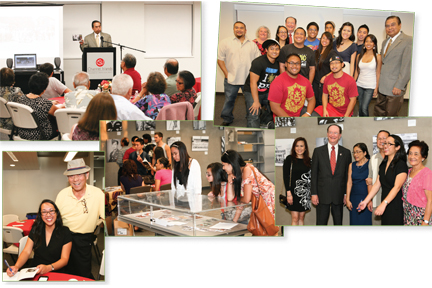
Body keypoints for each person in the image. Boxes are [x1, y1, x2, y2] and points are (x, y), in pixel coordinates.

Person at [55, 158, 104, 279]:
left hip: (83, 239)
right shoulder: (62, 194)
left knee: (82, 273)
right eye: (71, 176)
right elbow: (56, 218)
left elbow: (104, 218)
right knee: (63, 273)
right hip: (63, 237)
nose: (75, 179)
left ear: (87, 175)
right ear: (68, 178)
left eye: (79, 175)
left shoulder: (98, 194)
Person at [6, 199, 72, 277]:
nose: (48, 215)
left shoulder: (65, 231)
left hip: (56, 270)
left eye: (51, 211)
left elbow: (64, 259)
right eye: (44, 212)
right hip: (36, 270)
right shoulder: (36, 230)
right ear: (40, 215)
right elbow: (26, 251)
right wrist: (16, 266)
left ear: (56, 213)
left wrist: (48, 267)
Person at [358, 135, 408, 225]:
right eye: (385, 143)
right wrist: (365, 201)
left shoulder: (401, 165)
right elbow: (377, 184)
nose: (385, 146)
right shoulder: (383, 164)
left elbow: (397, 187)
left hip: (395, 205)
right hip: (384, 203)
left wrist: (384, 204)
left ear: (397, 147)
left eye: (389, 144)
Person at [218, 21, 260, 126]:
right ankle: (227, 118)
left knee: (250, 101)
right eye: (237, 27)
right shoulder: (225, 42)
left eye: (241, 28)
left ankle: (250, 118)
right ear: (233, 29)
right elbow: (220, 60)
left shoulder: (252, 44)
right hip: (232, 78)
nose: (239, 30)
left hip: (248, 80)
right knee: (229, 100)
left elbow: (258, 61)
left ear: (245, 30)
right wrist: (226, 74)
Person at [311, 124, 351, 225]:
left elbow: (348, 176)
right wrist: (314, 193)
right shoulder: (318, 151)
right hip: (321, 195)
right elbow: (314, 174)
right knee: (321, 223)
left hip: (339, 195)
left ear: (340, 135)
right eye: (331, 132)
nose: (333, 135)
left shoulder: (346, 153)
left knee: (338, 223)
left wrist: (347, 194)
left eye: (335, 133)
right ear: (327, 133)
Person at [221, 150, 275, 221]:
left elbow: (246, 199)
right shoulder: (238, 172)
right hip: (261, 202)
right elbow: (230, 198)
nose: (223, 168)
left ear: (231, 164)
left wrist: (238, 199)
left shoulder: (246, 170)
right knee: (263, 229)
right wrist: (229, 181)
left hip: (268, 200)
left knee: (269, 228)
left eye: (224, 165)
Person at [374, 16, 412, 116]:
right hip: (383, 87)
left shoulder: (408, 40)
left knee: (391, 115)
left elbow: (407, 66)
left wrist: (399, 85)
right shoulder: (385, 42)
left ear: (400, 25)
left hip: (394, 88)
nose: (389, 28)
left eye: (393, 24)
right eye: (387, 26)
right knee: (378, 113)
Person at [243, 39, 280, 128]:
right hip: (252, 90)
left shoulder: (278, 63)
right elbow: (253, 83)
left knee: (274, 108)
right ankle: (253, 133)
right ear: (266, 50)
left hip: (266, 91)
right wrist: (256, 101)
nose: (274, 51)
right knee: (254, 113)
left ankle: (263, 123)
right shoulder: (258, 62)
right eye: (272, 49)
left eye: (277, 49)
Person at [16, 72, 61, 140]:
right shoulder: (44, 103)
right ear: (44, 90)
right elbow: (58, 113)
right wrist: (63, 105)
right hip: (40, 134)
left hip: (22, 132)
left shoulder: (21, 98)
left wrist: (51, 103)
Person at [268, 53, 315, 118]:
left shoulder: (305, 81)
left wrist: (308, 113)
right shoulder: (277, 82)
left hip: (299, 116)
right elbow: (274, 108)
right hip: (282, 118)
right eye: (291, 63)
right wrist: (291, 122)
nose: (294, 66)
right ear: (286, 64)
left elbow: (311, 99)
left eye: (297, 63)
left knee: (316, 117)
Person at [283, 137, 311, 225]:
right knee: (295, 218)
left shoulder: (309, 161)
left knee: (301, 218)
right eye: (297, 146)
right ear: (294, 147)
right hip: (292, 193)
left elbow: (311, 177)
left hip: (305, 194)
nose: (299, 148)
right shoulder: (289, 159)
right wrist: (288, 193)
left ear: (305, 148)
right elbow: (285, 177)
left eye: (301, 146)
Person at [402, 140, 432, 225]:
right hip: (408, 215)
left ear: (423, 157)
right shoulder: (408, 172)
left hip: (421, 216)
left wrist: (425, 221)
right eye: (410, 153)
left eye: (416, 154)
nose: (412, 156)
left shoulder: (427, 173)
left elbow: (430, 200)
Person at [354, 34, 382, 117]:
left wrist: (376, 88)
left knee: (364, 108)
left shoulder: (378, 57)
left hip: (370, 86)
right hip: (359, 85)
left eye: (371, 41)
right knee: (360, 107)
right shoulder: (359, 56)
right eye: (367, 41)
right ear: (364, 43)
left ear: (374, 44)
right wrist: (353, 83)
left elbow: (378, 72)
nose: (368, 43)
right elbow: (357, 71)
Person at [346, 143, 372, 225]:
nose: (355, 154)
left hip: (366, 197)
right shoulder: (351, 165)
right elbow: (349, 183)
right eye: (354, 152)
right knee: (355, 222)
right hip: (354, 198)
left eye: (358, 152)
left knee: (365, 222)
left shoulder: (370, 164)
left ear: (365, 153)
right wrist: (347, 199)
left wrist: (369, 200)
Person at [366, 130, 390, 209]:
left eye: (384, 138)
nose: (381, 141)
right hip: (376, 201)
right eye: (379, 139)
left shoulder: (394, 158)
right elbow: (369, 181)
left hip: (391, 201)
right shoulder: (373, 159)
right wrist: (369, 200)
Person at [313, 32, 338, 107]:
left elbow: (337, 67)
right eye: (323, 38)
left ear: (330, 41)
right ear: (320, 39)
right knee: (315, 102)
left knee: (323, 103)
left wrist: (326, 76)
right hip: (315, 82)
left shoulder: (332, 53)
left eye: (328, 39)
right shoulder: (316, 52)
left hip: (325, 82)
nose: (325, 40)